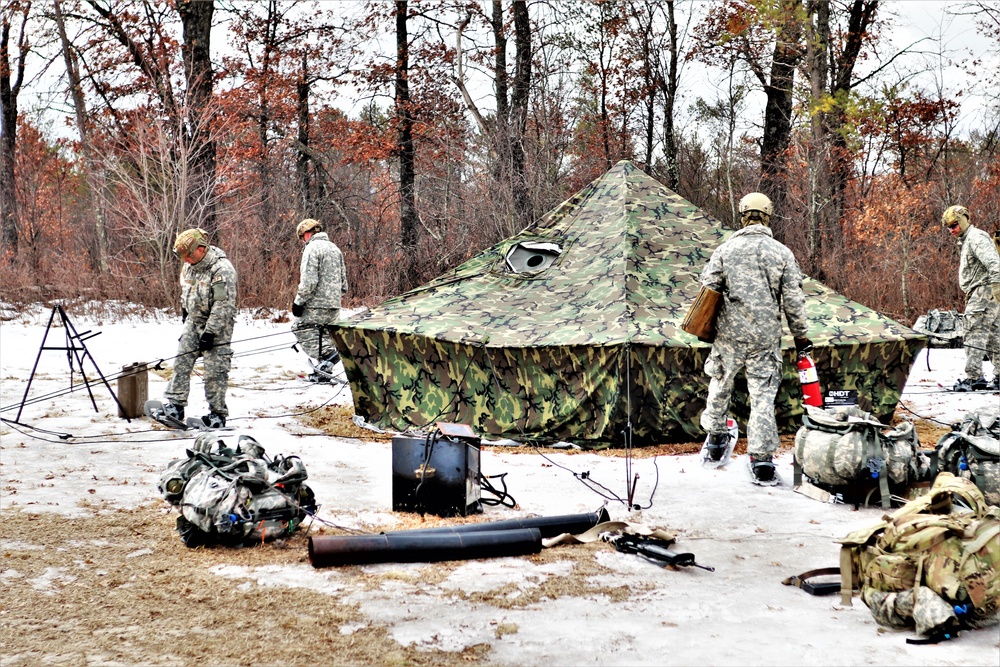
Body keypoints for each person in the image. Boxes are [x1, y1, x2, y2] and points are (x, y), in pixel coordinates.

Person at [698, 192, 811, 484]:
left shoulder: (724, 251)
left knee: (720, 385)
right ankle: (762, 460)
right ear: (768, 215)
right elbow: (794, 301)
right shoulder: (782, 253)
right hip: (765, 337)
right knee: (762, 396)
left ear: (742, 214)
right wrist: (800, 337)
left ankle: (714, 441)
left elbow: (708, 288)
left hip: (729, 336)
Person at [161, 228, 238, 428]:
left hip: (217, 326)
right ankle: (175, 405)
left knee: (215, 371)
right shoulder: (188, 267)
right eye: (183, 257)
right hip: (193, 322)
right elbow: (185, 290)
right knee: (181, 362)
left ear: (201, 249)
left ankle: (217, 414)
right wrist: (185, 311)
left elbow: (224, 305)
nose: (186, 260)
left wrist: (210, 332)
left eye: (189, 255)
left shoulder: (221, 269)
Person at [942, 205, 1000, 391]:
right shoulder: (968, 239)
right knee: (993, 335)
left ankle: (974, 377)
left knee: (973, 331)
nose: (952, 230)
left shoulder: (976, 238)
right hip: (985, 291)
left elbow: (993, 262)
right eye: (949, 227)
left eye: (954, 225)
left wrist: (997, 285)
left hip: (984, 291)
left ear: (964, 220)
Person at [292, 218, 348, 382]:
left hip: (315, 304)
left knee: (300, 328)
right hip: (334, 305)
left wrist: (298, 302)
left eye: (302, 238)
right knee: (323, 335)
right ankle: (324, 370)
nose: (303, 241)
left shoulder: (312, 249)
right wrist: (334, 297)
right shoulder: (335, 249)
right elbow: (344, 283)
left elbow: (309, 281)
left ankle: (330, 357)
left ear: (307, 234)